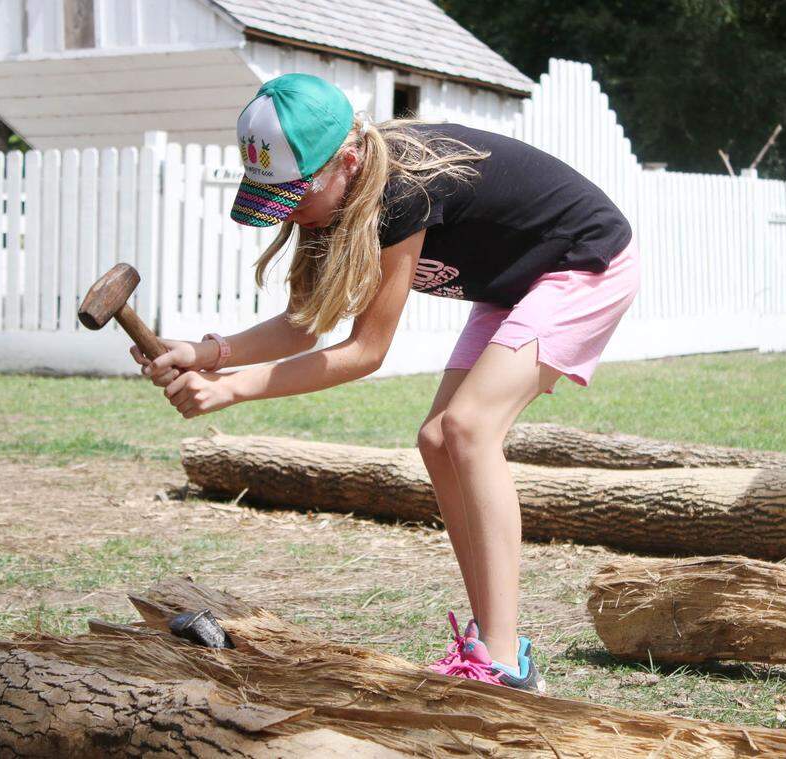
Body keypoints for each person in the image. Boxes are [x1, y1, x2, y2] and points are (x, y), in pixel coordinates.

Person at [132, 73, 640, 694]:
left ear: (345, 163)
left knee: (469, 429)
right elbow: (302, 325)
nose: (288, 212)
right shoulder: (339, 195)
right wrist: (207, 353)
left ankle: (503, 663)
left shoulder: (402, 190)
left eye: (294, 195)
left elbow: (365, 352)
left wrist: (234, 388)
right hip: (512, 284)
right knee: (437, 441)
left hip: (582, 262)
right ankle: (493, 643)